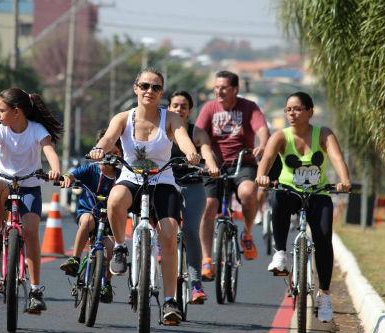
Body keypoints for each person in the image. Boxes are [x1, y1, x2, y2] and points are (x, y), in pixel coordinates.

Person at [89, 68, 201, 325]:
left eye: (156, 87)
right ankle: (119, 248)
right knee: (115, 199)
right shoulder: (123, 118)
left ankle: (170, 301)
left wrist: (191, 154)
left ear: (162, 92)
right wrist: (98, 149)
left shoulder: (171, 118)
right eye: (145, 86)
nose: (150, 91)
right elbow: (108, 138)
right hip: (132, 178)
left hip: (162, 180)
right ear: (136, 88)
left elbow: (183, 140)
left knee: (170, 234)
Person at [255, 91, 351, 322]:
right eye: (288, 109)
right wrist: (261, 176)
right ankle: (280, 253)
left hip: (318, 193)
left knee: (323, 237)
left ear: (310, 111)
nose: (292, 113)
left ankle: (324, 295)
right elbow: (266, 159)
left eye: (297, 109)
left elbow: (337, 158)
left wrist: (344, 180)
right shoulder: (280, 136)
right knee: (277, 200)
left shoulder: (323, 134)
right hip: (290, 192)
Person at [0, 88, 62, 314]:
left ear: (16, 112)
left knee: (31, 232)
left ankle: (34, 290)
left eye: (1, 110)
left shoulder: (37, 130)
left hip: (30, 185)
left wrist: (55, 171)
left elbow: (49, 151)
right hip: (5, 181)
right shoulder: (1, 130)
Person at [194, 70, 269, 281]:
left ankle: (246, 233)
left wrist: (262, 146)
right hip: (214, 166)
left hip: (242, 164)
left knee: (248, 192)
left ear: (235, 89)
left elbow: (262, 130)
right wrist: (198, 144)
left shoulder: (249, 107)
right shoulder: (209, 108)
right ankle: (207, 259)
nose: (219, 91)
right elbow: (198, 132)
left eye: (224, 87)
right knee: (209, 205)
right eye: (216, 87)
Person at [59, 128, 122, 304]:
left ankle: (107, 283)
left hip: (110, 219)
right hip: (89, 212)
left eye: (114, 151)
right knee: (87, 222)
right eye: (105, 151)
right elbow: (72, 175)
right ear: (97, 151)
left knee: (111, 247)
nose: (108, 155)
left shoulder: (122, 175)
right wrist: (66, 178)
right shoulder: (90, 169)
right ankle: (75, 259)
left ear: (120, 153)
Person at [168, 90, 219, 304]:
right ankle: (161, 247)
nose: (179, 109)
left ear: (189, 111)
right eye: (175, 105)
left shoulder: (196, 132)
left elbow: (206, 151)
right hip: (166, 185)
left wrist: (211, 165)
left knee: (190, 230)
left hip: (192, 185)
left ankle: (196, 284)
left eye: (184, 106)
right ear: (169, 108)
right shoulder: (160, 130)